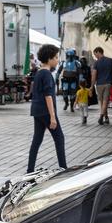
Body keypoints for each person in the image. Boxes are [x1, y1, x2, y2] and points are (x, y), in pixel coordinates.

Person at [28, 44, 67, 172]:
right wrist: (53, 117)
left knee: (37, 140)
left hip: (36, 110)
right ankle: (63, 168)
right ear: (49, 59)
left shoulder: (39, 73)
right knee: (59, 138)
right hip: (46, 111)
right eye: (55, 57)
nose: (57, 60)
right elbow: (48, 96)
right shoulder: (47, 74)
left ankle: (30, 170)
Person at [91, 46, 112, 125]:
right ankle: (106, 117)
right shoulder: (110, 60)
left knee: (102, 101)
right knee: (105, 101)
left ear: (98, 52)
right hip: (108, 83)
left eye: (95, 54)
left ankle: (101, 116)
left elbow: (94, 75)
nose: (95, 56)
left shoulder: (96, 63)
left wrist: (92, 85)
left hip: (99, 84)